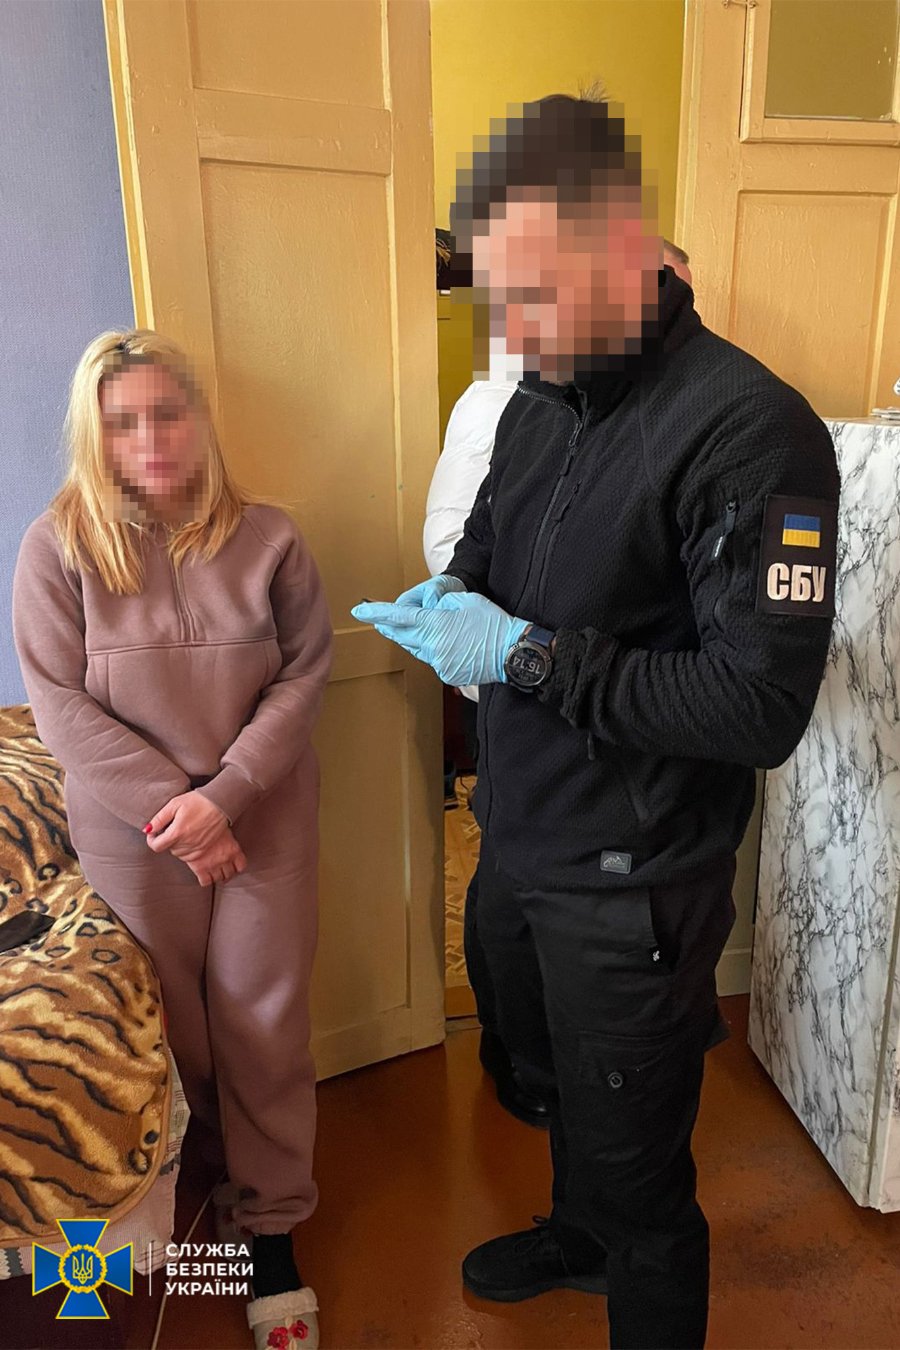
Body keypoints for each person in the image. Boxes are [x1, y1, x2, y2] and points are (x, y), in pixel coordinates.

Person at [354, 95, 839, 1349]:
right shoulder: (538, 397)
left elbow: (758, 705)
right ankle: (580, 1238)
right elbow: (485, 544)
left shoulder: (752, 431)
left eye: (533, 295)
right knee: (555, 1086)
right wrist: (454, 596)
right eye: (495, 301)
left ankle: (633, 1267)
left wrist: (524, 653)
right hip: (519, 837)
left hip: (636, 882)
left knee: (644, 1171)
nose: (510, 331)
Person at [12, 330, 332, 1350]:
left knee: (262, 1026)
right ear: (94, 435)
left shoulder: (271, 538)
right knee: (178, 1031)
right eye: (122, 423)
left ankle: (270, 1230)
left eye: (167, 414)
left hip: (262, 819)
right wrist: (176, 812)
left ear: (200, 420)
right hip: (135, 836)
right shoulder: (56, 547)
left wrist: (225, 799)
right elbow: (58, 709)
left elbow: (304, 676)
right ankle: (203, 1180)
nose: (149, 439)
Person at [425, 240, 695, 1130]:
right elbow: (462, 533)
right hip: (519, 699)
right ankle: (522, 1064)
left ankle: (558, 1079)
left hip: (622, 729)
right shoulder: (508, 403)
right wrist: (481, 626)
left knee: (584, 926)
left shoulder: (704, 416)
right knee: (508, 899)